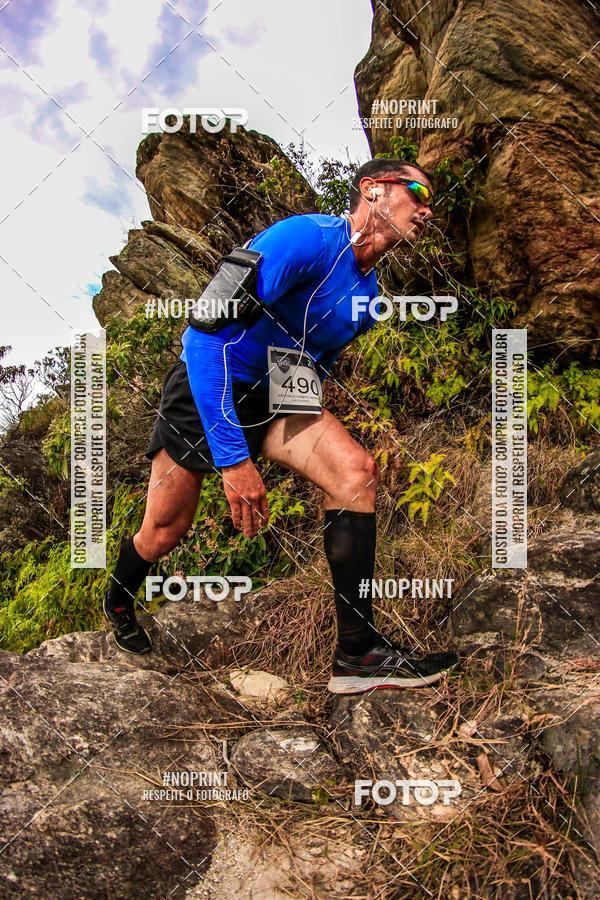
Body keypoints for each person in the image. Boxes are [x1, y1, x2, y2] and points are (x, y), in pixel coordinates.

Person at [103, 157, 459, 693]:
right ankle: (118, 599)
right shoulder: (306, 238)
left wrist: (293, 434)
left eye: (431, 200)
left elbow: (312, 365)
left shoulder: (370, 298)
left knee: (355, 473)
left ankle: (358, 655)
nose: (426, 208)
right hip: (208, 386)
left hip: (278, 392)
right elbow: (204, 338)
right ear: (373, 190)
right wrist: (234, 458)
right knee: (166, 528)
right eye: (415, 190)